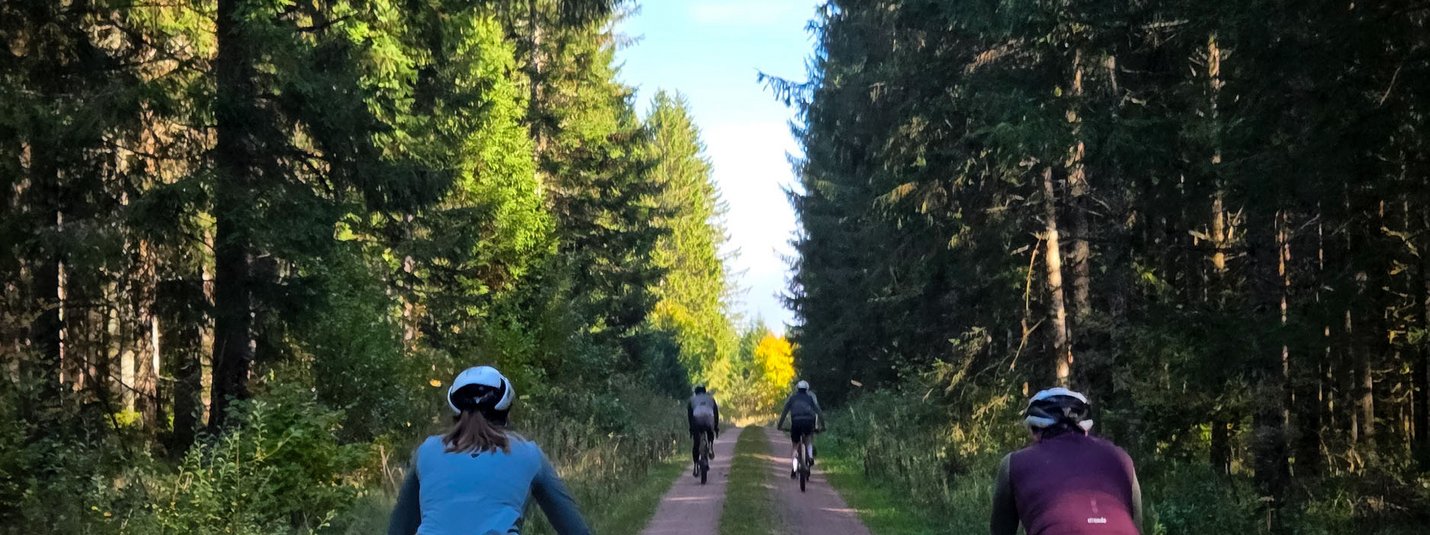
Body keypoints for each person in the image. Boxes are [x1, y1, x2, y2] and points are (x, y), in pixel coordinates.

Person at [388, 366, 590, 535]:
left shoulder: (427, 451)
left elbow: (399, 529)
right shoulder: (528, 454)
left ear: (455, 412)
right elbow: (575, 530)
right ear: (506, 411)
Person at [990, 388, 1142, 535]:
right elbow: (1137, 526)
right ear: (1085, 429)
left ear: (1034, 431)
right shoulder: (1121, 459)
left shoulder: (1014, 463)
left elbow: (1001, 530)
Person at [775, 380, 823, 478]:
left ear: (797, 389)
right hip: (808, 423)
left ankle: (794, 468)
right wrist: (823, 425)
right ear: (807, 389)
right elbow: (819, 412)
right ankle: (810, 457)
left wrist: (780, 425)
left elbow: (784, 412)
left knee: (795, 446)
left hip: (796, 423)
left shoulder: (792, 399)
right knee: (809, 441)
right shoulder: (810, 398)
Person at [688, 385, 720, 476]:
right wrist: (716, 427)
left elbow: (690, 416)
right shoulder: (711, 399)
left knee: (696, 443)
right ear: (705, 392)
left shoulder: (692, 400)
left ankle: (695, 466)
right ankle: (710, 446)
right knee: (710, 432)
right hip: (709, 418)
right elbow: (716, 413)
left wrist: (691, 429)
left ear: (696, 392)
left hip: (696, 419)